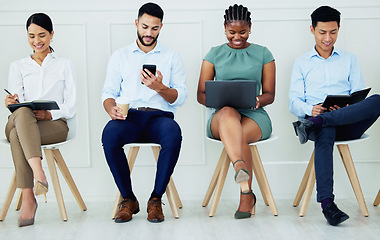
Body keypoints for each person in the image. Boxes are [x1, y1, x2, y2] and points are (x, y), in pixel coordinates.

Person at [289, 6, 380, 226]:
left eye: (333, 32)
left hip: (345, 121)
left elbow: (360, 96)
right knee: (325, 130)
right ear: (312, 30)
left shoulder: (349, 59)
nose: (328, 38)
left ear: (339, 29)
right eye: (322, 32)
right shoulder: (302, 63)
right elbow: (293, 102)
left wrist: (345, 109)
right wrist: (312, 110)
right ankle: (328, 206)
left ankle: (318, 122)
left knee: (377, 99)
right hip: (318, 123)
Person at [101, 2, 187, 223]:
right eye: (145, 27)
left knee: (173, 134)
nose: (149, 33)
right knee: (109, 134)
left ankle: (156, 199)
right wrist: (111, 108)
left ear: (161, 27)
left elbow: (181, 97)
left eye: (155, 28)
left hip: (160, 118)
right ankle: (129, 199)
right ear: (137, 23)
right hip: (129, 117)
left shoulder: (171, 56)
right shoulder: (120, 56)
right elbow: (108, 92)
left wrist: (159, 87)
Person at [197, 4, 276, 219]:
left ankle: (244, 189)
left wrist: (258, 99)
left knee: (238, 132)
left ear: (250, 27)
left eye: (243, 32)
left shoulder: (263, 53)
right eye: (232, 32)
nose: (237, 37)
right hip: (221, 116)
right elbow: (200, 94)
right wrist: (219, 101)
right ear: (224, 28)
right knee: (230, 115)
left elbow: (270, 93)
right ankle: (242, 175)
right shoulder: (214, 54)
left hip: (254, 115)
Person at [4, 13, 76, 227]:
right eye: (31, 36)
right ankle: (39, 173)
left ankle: (28, 197)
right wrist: (10, 103)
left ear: (52, 34)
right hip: (23, 121)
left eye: (42, 35)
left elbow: (71, 106)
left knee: (18, 135)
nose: (37, 41)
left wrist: (49, 114)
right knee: (23, 111)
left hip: (54, 125)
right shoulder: (17, 66)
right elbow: (17, 110)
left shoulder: (65, 64)